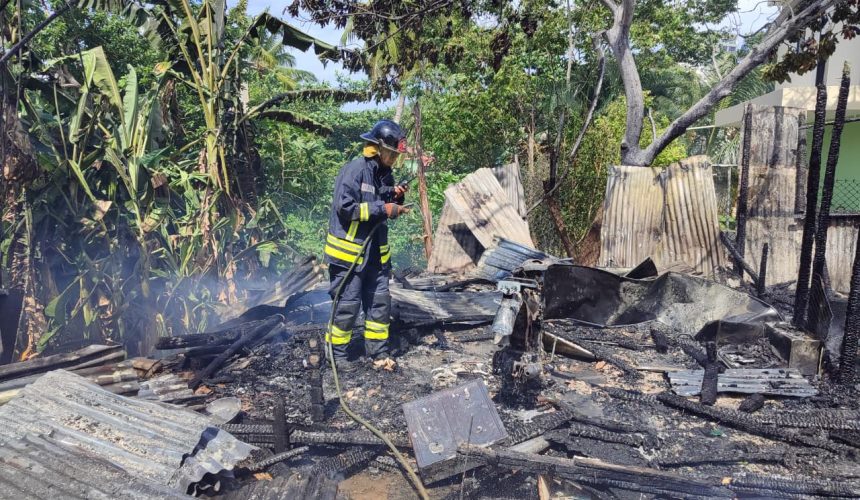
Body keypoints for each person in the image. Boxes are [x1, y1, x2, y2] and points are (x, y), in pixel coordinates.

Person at [324, 119, 411, 369]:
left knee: (380, 305)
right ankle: (337, 356)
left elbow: (380, 198)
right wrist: (382, 208)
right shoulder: (354, 170)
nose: (394, 159)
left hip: (376, 256)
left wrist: (394, 195)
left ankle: (378, 353)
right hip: (349, 256)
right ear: (377, 148)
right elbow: (346, 208)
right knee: (347, 306)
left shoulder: (383, 173)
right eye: (392, 154)